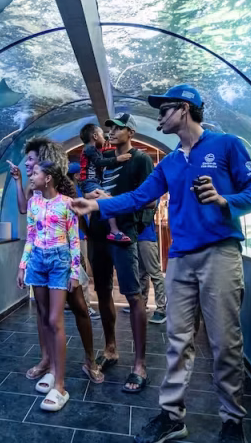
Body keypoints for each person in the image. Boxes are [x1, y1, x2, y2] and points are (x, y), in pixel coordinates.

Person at [70, 85, 251, 443]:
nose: (158, 116)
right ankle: (172, 416)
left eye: (164, 110)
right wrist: (95, 206)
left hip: (220, 253)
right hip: (180, 258)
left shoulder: (227, 145)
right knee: (177, 340)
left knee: (225, 341)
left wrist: (224, 200)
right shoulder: (172, 162)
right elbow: (139, 196)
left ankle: (232, 423)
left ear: (184, 109)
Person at [7, 137, 104, 386]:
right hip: (41, 253)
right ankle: (47, 359)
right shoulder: (34, 187)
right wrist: (18, 182)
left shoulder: (64, 188)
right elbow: (24, 210)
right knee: (43, 313)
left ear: (44, 160)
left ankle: (90, 359)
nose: (27, 163)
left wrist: (75, 264)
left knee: (80, 306)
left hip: (66, 253)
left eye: (31, 159)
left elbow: (73, 221)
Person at [84, 113, 154, 393]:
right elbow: (89, 185)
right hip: (97, 234)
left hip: (124, 234)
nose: (111, 132)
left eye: (118, 128)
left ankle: (140, 364)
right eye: (109, 128)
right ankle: (110, 348)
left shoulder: (141, 159)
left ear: (132, 133)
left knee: (133, 295)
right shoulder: (102, 159)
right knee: (101, 291)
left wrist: (121, 212)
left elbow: (149, 197)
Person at [16, 161, 80, 412]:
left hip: (59, 261)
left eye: (35, 173)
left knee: (55, 321)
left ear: (49, 178)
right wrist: (23, 266)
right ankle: (52, 371)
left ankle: (60, 386)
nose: (31, 177)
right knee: (43, 318)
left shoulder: (67, 203)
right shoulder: (33, 203)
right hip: (37, 262)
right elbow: (31, 235)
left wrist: (75, 272)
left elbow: (74, 239)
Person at [78, 123, 132, 241]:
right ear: (95, 136)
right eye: (103, 135)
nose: (105, 138)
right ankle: (114, 230)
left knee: (97, 204)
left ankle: (92, 230)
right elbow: (99, 162)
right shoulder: (89, 149)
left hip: (91, 182)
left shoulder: (92, 149)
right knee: (108, 200)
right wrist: (117, 159)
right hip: (90, 182)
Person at [122, 204, 167, 325]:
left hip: (147, 237)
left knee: (155, 273)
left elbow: (150, 204)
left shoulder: (149, 191)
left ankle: (161, 309)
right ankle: (142, 304)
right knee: (141, 273)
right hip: (137, 236)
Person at [68, 161, 100, 320]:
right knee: (81, 271)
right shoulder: (75, 191)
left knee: (75, 271)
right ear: (75, 175)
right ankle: (86, 306)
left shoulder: (69, 191)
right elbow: (80, 216)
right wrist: (87, 232)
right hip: (78, 237)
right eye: (79, 174)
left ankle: (73, 303)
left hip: (73, 237)